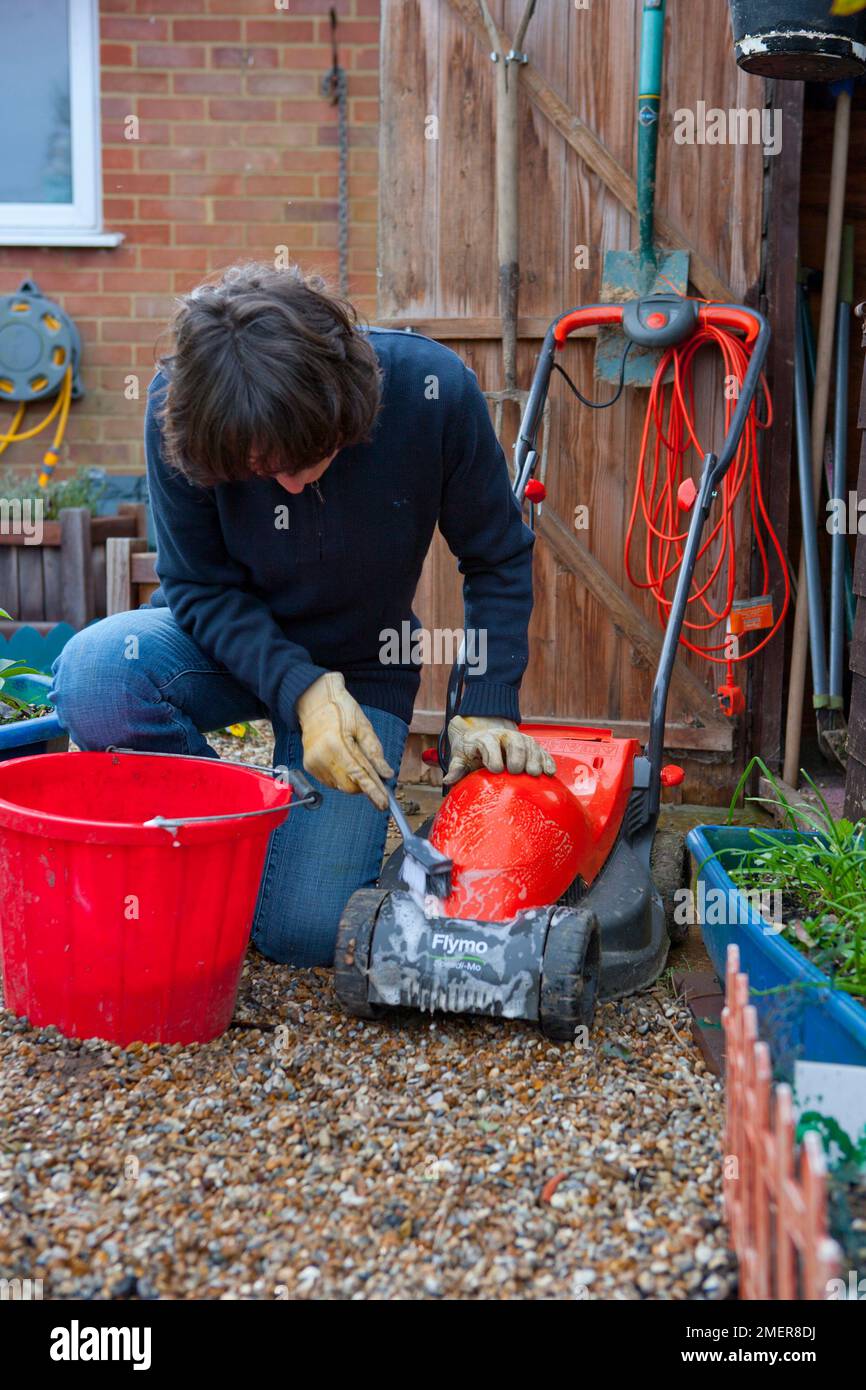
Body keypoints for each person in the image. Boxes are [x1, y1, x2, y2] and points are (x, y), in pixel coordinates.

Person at [51, 263, 555, 966]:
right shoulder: (184, 406)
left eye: (307, 456)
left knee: (305, 934)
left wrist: (488, 700)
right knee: (98, 674)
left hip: (363, 663)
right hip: (220, 647)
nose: (288, 482)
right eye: (262, 469)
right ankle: (231, 837)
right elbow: (196, 586)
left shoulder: (429, 391)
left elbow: (496, 556)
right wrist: (300, 687)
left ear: (348, 401)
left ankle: (248, 854)